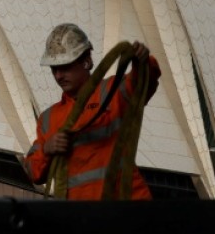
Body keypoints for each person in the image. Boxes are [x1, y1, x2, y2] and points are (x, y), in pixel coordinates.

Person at [25, 22, 161, 200]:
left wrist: (143, 61)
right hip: (81, 216)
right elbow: (32, 171)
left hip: (125, 206)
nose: (58, 75)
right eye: (54, 69)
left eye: (65, 66)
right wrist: (47, 149)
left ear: (86, 61)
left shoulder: (113, 92)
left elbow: (145, 80)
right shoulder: (48, 119)